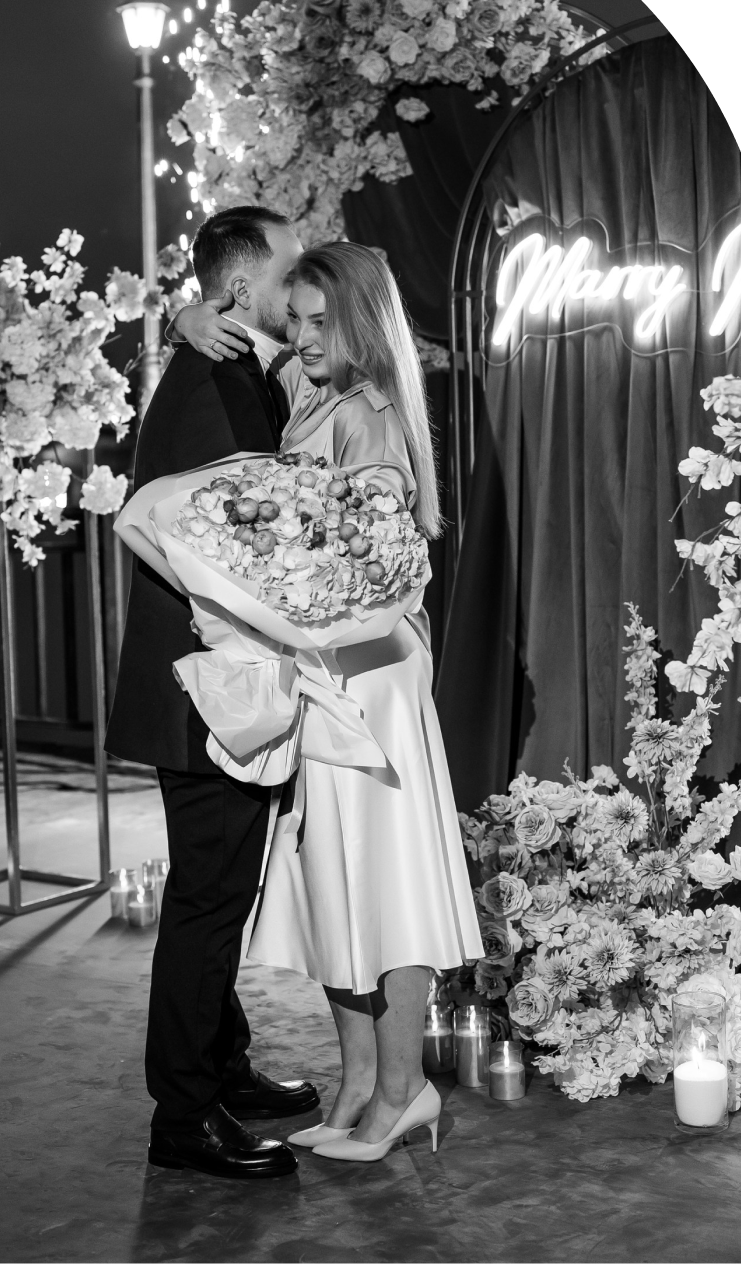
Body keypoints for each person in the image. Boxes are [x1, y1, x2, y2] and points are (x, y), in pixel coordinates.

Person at [175, 242, 484, 1164]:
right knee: (333, 884)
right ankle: (356, 1085)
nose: (303, 336)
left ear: (363, 326)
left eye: (323, 322)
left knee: (384, 888)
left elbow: (372, 559)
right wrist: (184, 318)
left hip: (370, 682)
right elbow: (247, 336)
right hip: (324, 670)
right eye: (298, 318)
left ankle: (402, 1089)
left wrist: (283, 567)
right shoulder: (306, 386)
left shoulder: (370, 415)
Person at [104, 206, 318, 1180]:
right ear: (238, 287)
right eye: (286, 269)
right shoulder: (210, 380)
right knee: (207, 899)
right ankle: (183, 1118)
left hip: (205, 687)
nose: (297, 283)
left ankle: (221, 1068)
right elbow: (224, 553)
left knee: (219, 892)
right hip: (205, 691)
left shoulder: (227, 368)